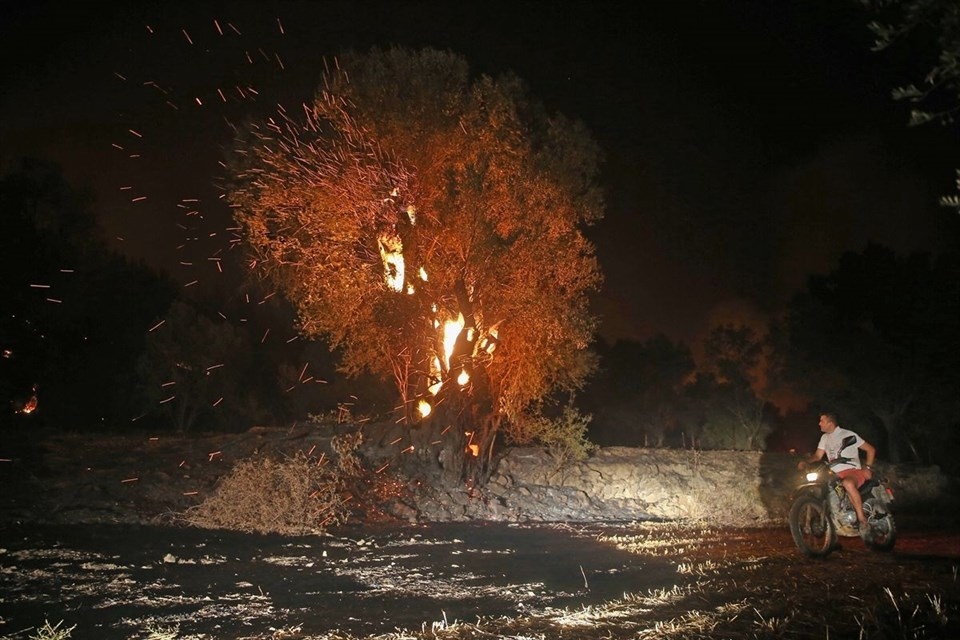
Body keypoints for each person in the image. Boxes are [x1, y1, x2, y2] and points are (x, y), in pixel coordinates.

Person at [797, 412, 876, 533]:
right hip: (834, 473)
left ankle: (862, 520)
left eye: (822, 421)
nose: (819, 423)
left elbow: (870, 449)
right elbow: (818, 456)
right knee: (824, 488)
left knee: (848, 483)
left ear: (830, 423)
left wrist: (868, 468)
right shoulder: (825, 438)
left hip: (852, 471)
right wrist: (806, 462)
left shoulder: (848, 434)